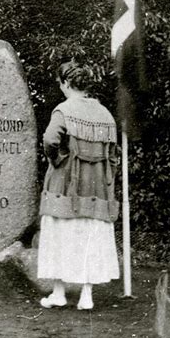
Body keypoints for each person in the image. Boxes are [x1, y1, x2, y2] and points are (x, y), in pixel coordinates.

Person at [37, 61, 120, 310]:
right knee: (90, 236)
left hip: (67, 183)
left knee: (61, 232)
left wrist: (58, 159)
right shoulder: (105, 114)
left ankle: (59, 292)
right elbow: (113, 155)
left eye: (60, 83)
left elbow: (50, 139)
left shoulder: (63, 110)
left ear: (66, 83)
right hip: (97, 186)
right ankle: (86, 296)